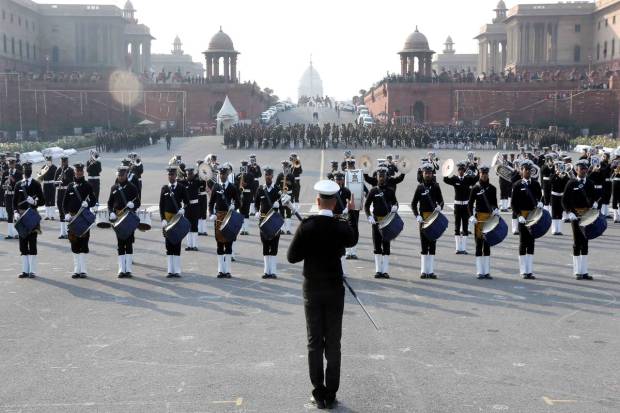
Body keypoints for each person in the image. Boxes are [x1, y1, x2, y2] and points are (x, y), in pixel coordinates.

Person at [287, 179, 355, 410]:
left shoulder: (307, 226)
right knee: (333, 343)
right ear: (335, 203)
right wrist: (350, 213)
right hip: (335, 290)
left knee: (314, 342)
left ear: (317, 201)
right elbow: (352, 238)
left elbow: (292, 257)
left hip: (313, 290)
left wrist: (308, 245)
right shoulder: (340, 226)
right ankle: (331, 393)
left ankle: (318, 393)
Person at [562, 160, 598, 280]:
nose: (583, 171)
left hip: (587, 215)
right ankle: (577, 271)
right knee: (577, 242)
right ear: (576, 170)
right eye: (581, 169)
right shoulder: (571, 183)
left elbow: (594, 196)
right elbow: (564, 200)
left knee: (585, 242)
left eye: (585, 169)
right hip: (575, 215)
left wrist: (595, 203)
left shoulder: (590, 183)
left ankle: (584, 271)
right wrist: (569, 212)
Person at [63, 163, 97, 279]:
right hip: (72, 218)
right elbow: (64, 203)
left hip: (83, 218)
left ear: (83, 172)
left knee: (83, 243)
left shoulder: (88, 186)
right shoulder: (70, 186)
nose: (79, 173)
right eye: (77, 172)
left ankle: (83, 270)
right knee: (74, 243)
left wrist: (88, 203)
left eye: (81, 172)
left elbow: (94, 200)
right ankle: (76, 269)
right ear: (75, 173)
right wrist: (66, 213)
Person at [511, 160, 543, 279]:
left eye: (529, 170)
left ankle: (529, 270)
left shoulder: (535, 184)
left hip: (533, 216)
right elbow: (513, 203)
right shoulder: (517, 185)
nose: (528, 172)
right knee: (523, 242)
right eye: (525, 170)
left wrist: (541, 203)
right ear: (521, 171)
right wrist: (518, 215)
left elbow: (540, 196)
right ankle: (523, 270)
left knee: (531, 242)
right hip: (523, 217)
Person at [412, 163, 445, 279]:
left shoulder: (436, 186)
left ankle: (430, 271)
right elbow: (413, 204)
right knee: (424, 245)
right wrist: (417, 216)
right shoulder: (419, 187)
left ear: (432, 174)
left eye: (429, 173)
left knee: (432, 245)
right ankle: (423, 271)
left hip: (434, 218)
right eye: (426, 173)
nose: (427, 175)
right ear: (423, 173)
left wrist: (440, 207)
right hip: (423, 219)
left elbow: (441, 201)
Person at [364, 166, 398, 279]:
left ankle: (385, 271)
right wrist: (369, 217)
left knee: (386, 246)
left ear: (386, 177)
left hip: (387, 221)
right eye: (380, 176)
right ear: (377, 177)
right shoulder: (373, 191)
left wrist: (395, 208)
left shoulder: (390, 191)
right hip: (376, 222)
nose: (381, 178)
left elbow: (395, 203)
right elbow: (366, 205)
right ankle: (378, 270)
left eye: (383, 176)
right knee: (377, 246)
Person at [13, 162, 45, 278]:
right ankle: (25, 270)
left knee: (32, 242)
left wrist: (35, 202)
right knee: (22, 243)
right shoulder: (18, 184)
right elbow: (14, 202)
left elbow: (42, 201)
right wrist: (15, 213)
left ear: (31, 170)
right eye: (25, 169)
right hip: (21, 217)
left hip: (32, 216)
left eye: (29, 168)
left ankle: (32, 270)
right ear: (23, 170)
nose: (27, 170)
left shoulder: (36, 184)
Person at [107, 165, 140, 278]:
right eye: (119, 175)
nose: (120, 177)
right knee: (120, 243)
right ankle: (121, 269)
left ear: (126, 175)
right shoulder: (114, 188)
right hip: (118, 217)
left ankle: (129, 269)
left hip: (129, 217)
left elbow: (138, 202)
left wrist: (133, 205)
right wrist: (111, 211)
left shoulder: (132, 187)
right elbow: (109, 203)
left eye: (123, 175)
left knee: (129, 242)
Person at [467, 166, 499, 279]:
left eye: (485, 173)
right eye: (482, 173)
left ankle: (487, 271)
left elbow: (495, 203)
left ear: (488, 174)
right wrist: (471, 216)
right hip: (479, 219)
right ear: (479, 174)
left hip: (489, 219)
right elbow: (469, 205)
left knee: (487, 245)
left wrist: (496, 209)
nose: (484, 175)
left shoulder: (493, 188)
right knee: (479, 244)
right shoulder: (475, 188)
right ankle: (480, 271)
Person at [209, 165, 241, 278]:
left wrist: (234, 207)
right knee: (219, 244)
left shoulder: (232, 187)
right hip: (218, 217)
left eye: (224, 174)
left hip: (229, 217)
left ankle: (227, 271)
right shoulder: (216, 187)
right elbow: (211, 203)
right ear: (219, 175)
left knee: (228, 245)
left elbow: (239, 202)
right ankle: (220, 270)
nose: (222, 176)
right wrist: (211, 214)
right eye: (221, 174)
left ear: (228, 175)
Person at [159, 167, 189, 278]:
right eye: (169, 175)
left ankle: (177, 270)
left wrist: (183, 209)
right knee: (168, 244)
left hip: (177, 218)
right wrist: (162, 219)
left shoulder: (181, 188)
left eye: (172, 175)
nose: (170, 177)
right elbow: (161, 205)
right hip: (167, 218)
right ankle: (170, 270)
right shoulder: (164, 188)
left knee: (177, 243)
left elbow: (187, 201)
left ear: (176, 176)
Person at [443, 160, 477, 254]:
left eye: (462, 169)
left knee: (465, 227)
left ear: (465, 170)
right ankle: (458, 248)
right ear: (457, 170)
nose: (461, 171)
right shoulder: (454, 179)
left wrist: (475, 167)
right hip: (457, 206)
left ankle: (464, 248)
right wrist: (446, 170)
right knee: (457, 226)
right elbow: (445, 180)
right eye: (459, 170)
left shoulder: (468, 179)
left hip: (466, 206)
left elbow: (476, 179)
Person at [254, 166, 281, 279]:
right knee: (265, 245)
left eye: (270, 175)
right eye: (266, 175)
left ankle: (273, 271)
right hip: (264, 219)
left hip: (274, 220)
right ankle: (266, 271)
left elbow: (283, 203)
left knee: (274, 245)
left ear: (272, 176)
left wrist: (279, 205)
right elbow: (256, 203)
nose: (268, 177)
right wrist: (256, 212)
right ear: (264, 176)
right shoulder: (260, 189)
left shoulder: (277, 189)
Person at [55, 156, 74, 240]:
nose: (63, 163)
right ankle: (62, 233)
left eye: (65, 162)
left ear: (67, 162)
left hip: (67, 192)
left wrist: (65, 176)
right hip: (60, 192)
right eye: (62, 162)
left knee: (68, 212)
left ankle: (69, 232)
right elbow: (54, 183)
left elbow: (72, 182)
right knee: (60, 212)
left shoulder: (70, 170)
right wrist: (59, 178)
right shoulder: (58, 170)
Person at [183, 166, 201, 251]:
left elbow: (204, 182)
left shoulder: (197, 182)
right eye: (188, 174)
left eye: (190, 174)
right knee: (187, 226)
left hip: (195, 206)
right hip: (187, 207)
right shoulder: (183, 183)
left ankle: (195, 245)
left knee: (194, 225)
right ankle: (189, 245)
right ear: (186, 175)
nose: (189, 175)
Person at [3, 157, 22, 239]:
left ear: (14, 164)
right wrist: (4, 185)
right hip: (7, 195)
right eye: (9, 164)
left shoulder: (19, 173)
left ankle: (17, 233)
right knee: (9, 214)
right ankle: (10, 233)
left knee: (16, 214)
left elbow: (20, 184)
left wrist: (12, 179)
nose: (11, 165)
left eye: (12, 164)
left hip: (15, 195)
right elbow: (1, 184)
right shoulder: (5, 172)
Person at [40, 155, 58, 220]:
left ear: (51, 160)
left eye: (49, 160)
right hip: (45, 184)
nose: (48, 161)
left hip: (52, 184)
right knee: (46, 199)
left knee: (52, 199)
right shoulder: (43, 167)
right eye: (47, 160)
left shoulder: (54, 167)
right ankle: (47, 215)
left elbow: (55, 177)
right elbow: (41, 177)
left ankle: (52, 215)